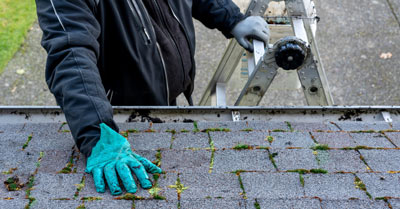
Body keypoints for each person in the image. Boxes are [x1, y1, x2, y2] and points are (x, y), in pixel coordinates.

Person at [35, 0, 270, 195]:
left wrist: (231, 18)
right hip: (119, 121)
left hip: (167, 100)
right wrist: (97, 132)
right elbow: (70, 54)